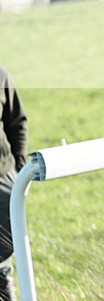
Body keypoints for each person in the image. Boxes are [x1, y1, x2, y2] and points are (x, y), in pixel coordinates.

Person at [0, 67, 28, 301]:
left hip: (3, 180)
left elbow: (17, 122)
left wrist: (19, 168)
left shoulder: (1, 75)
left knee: (2, 259)